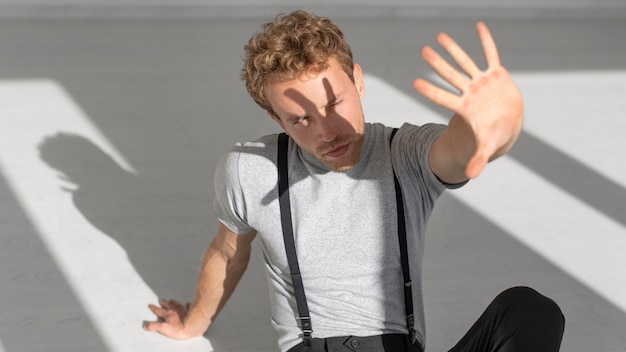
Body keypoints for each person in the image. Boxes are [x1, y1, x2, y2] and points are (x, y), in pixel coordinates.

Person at [143, 10, 565, 352]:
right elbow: (227, 253)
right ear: (276, 120)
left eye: (334, 104)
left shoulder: (405, 154)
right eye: (301, 119)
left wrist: (494, 128)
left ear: (358, 81)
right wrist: (192, 324)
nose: (326, 132)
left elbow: (458, 150)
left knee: (530, 310)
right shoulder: (249, 168)